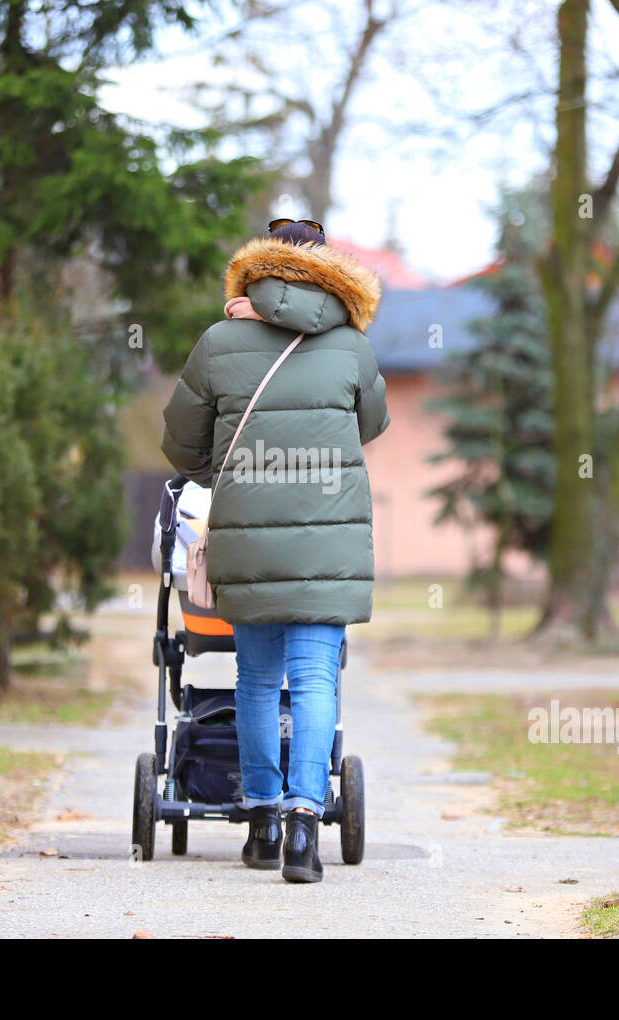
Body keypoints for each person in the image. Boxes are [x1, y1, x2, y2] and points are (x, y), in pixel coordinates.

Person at [161, 218, 388, 883]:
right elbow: (371, 424)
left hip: (247, 537)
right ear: (326, 268)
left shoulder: (220, 340)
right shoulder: (352, 345)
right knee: (316, 675)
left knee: (257, 677)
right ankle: (302, 832)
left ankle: (260, 823)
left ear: (257, 267)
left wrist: (220, 469)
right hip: (331, 534)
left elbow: (179, 442)